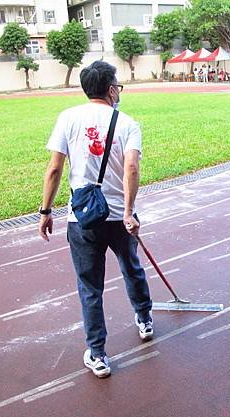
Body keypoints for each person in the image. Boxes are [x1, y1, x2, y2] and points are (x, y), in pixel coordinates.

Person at [39, 61, 153, 379]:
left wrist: (46, 211)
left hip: (83, 218)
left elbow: (54, 169)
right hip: (119, 217)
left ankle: (98, 354)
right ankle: (144, 319)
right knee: (131, 267)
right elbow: (132, 169)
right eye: (118, 85)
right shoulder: (128, 123)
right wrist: (129, 212)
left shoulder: (68, 118)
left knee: (90, 287)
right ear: (111, 88)